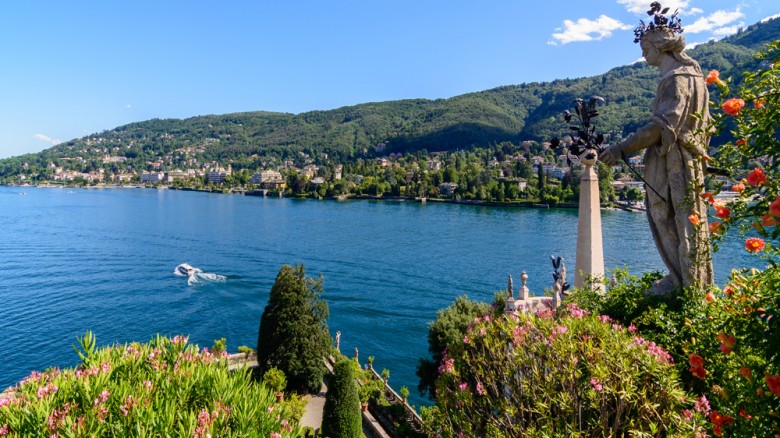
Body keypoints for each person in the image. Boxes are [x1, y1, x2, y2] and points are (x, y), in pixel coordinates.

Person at [600, 24, 713, 294]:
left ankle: (683, 283)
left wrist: (621, 148)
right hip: (689, 160)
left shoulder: (676, 79)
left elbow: (661, 127)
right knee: (686, 218)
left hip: (673, 160)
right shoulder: (695, 77)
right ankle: (689, 281)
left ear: (659, 47)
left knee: (669, 216)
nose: (644, 55)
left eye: (645, 48)